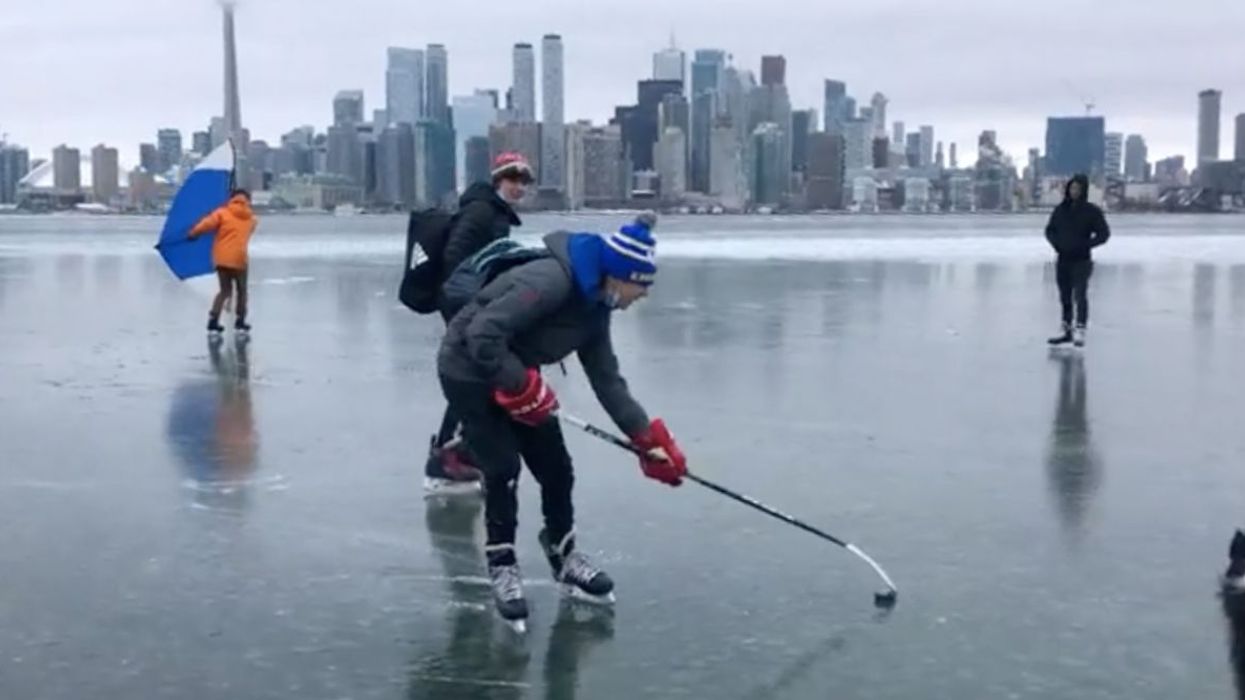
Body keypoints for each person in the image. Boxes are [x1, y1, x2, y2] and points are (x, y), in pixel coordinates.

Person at [436, 213, 687, 628]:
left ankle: (563, 554)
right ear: (619, 276)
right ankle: (502, 563)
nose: (641, 296)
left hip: (517, 375)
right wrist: (521, 386)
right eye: (640, 285)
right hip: (467, 372)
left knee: (556, 469)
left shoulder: (594, 310)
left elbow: (608, 382)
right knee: (503, 468)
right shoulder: (550, 281)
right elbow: (481, 333)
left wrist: (646, 439)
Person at [424, 152, 534, 496]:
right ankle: (448, 456)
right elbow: (456, 257)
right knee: (470, 376)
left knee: (477, 377)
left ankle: (459, 450)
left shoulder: (493, 212)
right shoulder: (481, 211)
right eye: (512, 179)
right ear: (498, 179)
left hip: (474, 305)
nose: (518, 187)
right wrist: (474, 300)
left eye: (523, 182)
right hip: (464, 305)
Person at [1045, 174, 1110, 348]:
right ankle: (1066, 330)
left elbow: (1104, 234)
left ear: (1083, 191)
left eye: (1078, 189)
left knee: (1080, 295)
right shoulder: (1061, 210)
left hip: (1082, 261)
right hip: (1063, 259)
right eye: (1072, 188)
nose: (1074, 192)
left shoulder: (1091, 211)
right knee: (1065, 297)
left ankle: (1080, 330)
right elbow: (1049, 230)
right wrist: (1057, 244)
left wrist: (1086, 245)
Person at [189, 188, 257, 334]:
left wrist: (193, 233)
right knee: (242, 291)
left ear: (231, 198)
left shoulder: (222, 213)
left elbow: (207, 224)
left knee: (224, 291)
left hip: (222, 259)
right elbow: (250, 230)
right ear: (248, 200)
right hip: (240, 259)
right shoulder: (251, 219)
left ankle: (213, 320)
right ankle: (240, 321)